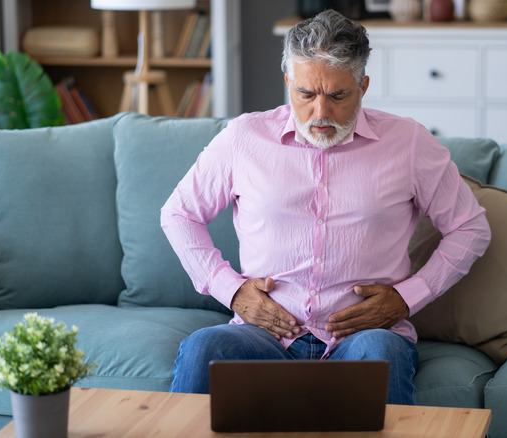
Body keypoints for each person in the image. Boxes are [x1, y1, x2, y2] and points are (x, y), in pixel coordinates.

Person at [160, 9, 490, 405]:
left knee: (382, 356)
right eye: (306, 94)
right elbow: (178, 214)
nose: (321, 113)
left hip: (366, 338)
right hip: (263, 334)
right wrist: (232, 292)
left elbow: (470, 228)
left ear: (363, 86)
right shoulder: (243, 138)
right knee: (202, 349)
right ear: (288, 83)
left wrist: (407, 298)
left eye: (337, 95)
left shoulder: (409, 142)